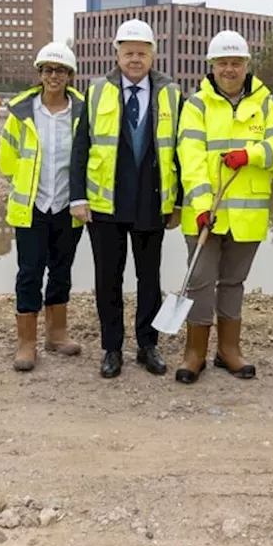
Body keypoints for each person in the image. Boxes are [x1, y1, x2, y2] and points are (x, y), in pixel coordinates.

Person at [174, 30, 273, 383]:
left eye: (235, 62)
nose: (229, 69)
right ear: (212, 66)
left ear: (246, 65)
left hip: (248, 214)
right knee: (199, 283)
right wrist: (200, 205)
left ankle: (228, 350)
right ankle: (194, 353)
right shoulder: (197, 105)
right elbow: (190, 158)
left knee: (233, 283)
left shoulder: (267, 104)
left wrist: (250, 154)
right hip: (205, 213)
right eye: (223, 63)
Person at [70, 19, 182, 378]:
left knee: (150, 278)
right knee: (108, 279)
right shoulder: (98, 90)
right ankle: (112, 347)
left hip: (151, 202)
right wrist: (77, 197)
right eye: (128, 52)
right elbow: (81, 147)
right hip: (107, 204)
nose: (135, 59)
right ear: (116, 54)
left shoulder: (171, 94)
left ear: (153, 55)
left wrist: (177, 202)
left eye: (142, 53)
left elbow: (179, 150)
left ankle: (148, 345)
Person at [0, 43, 86, 373]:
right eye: (48, 70)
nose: (54, 76)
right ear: (39, 74)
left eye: (60, 71)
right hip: (32, 206)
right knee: (29, 272)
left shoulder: (80, 112)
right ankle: (26, 343)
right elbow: (7, 160)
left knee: (61, 270)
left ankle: (57, 334)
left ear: (70, 76)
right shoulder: (23, 112)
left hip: (68, 204)